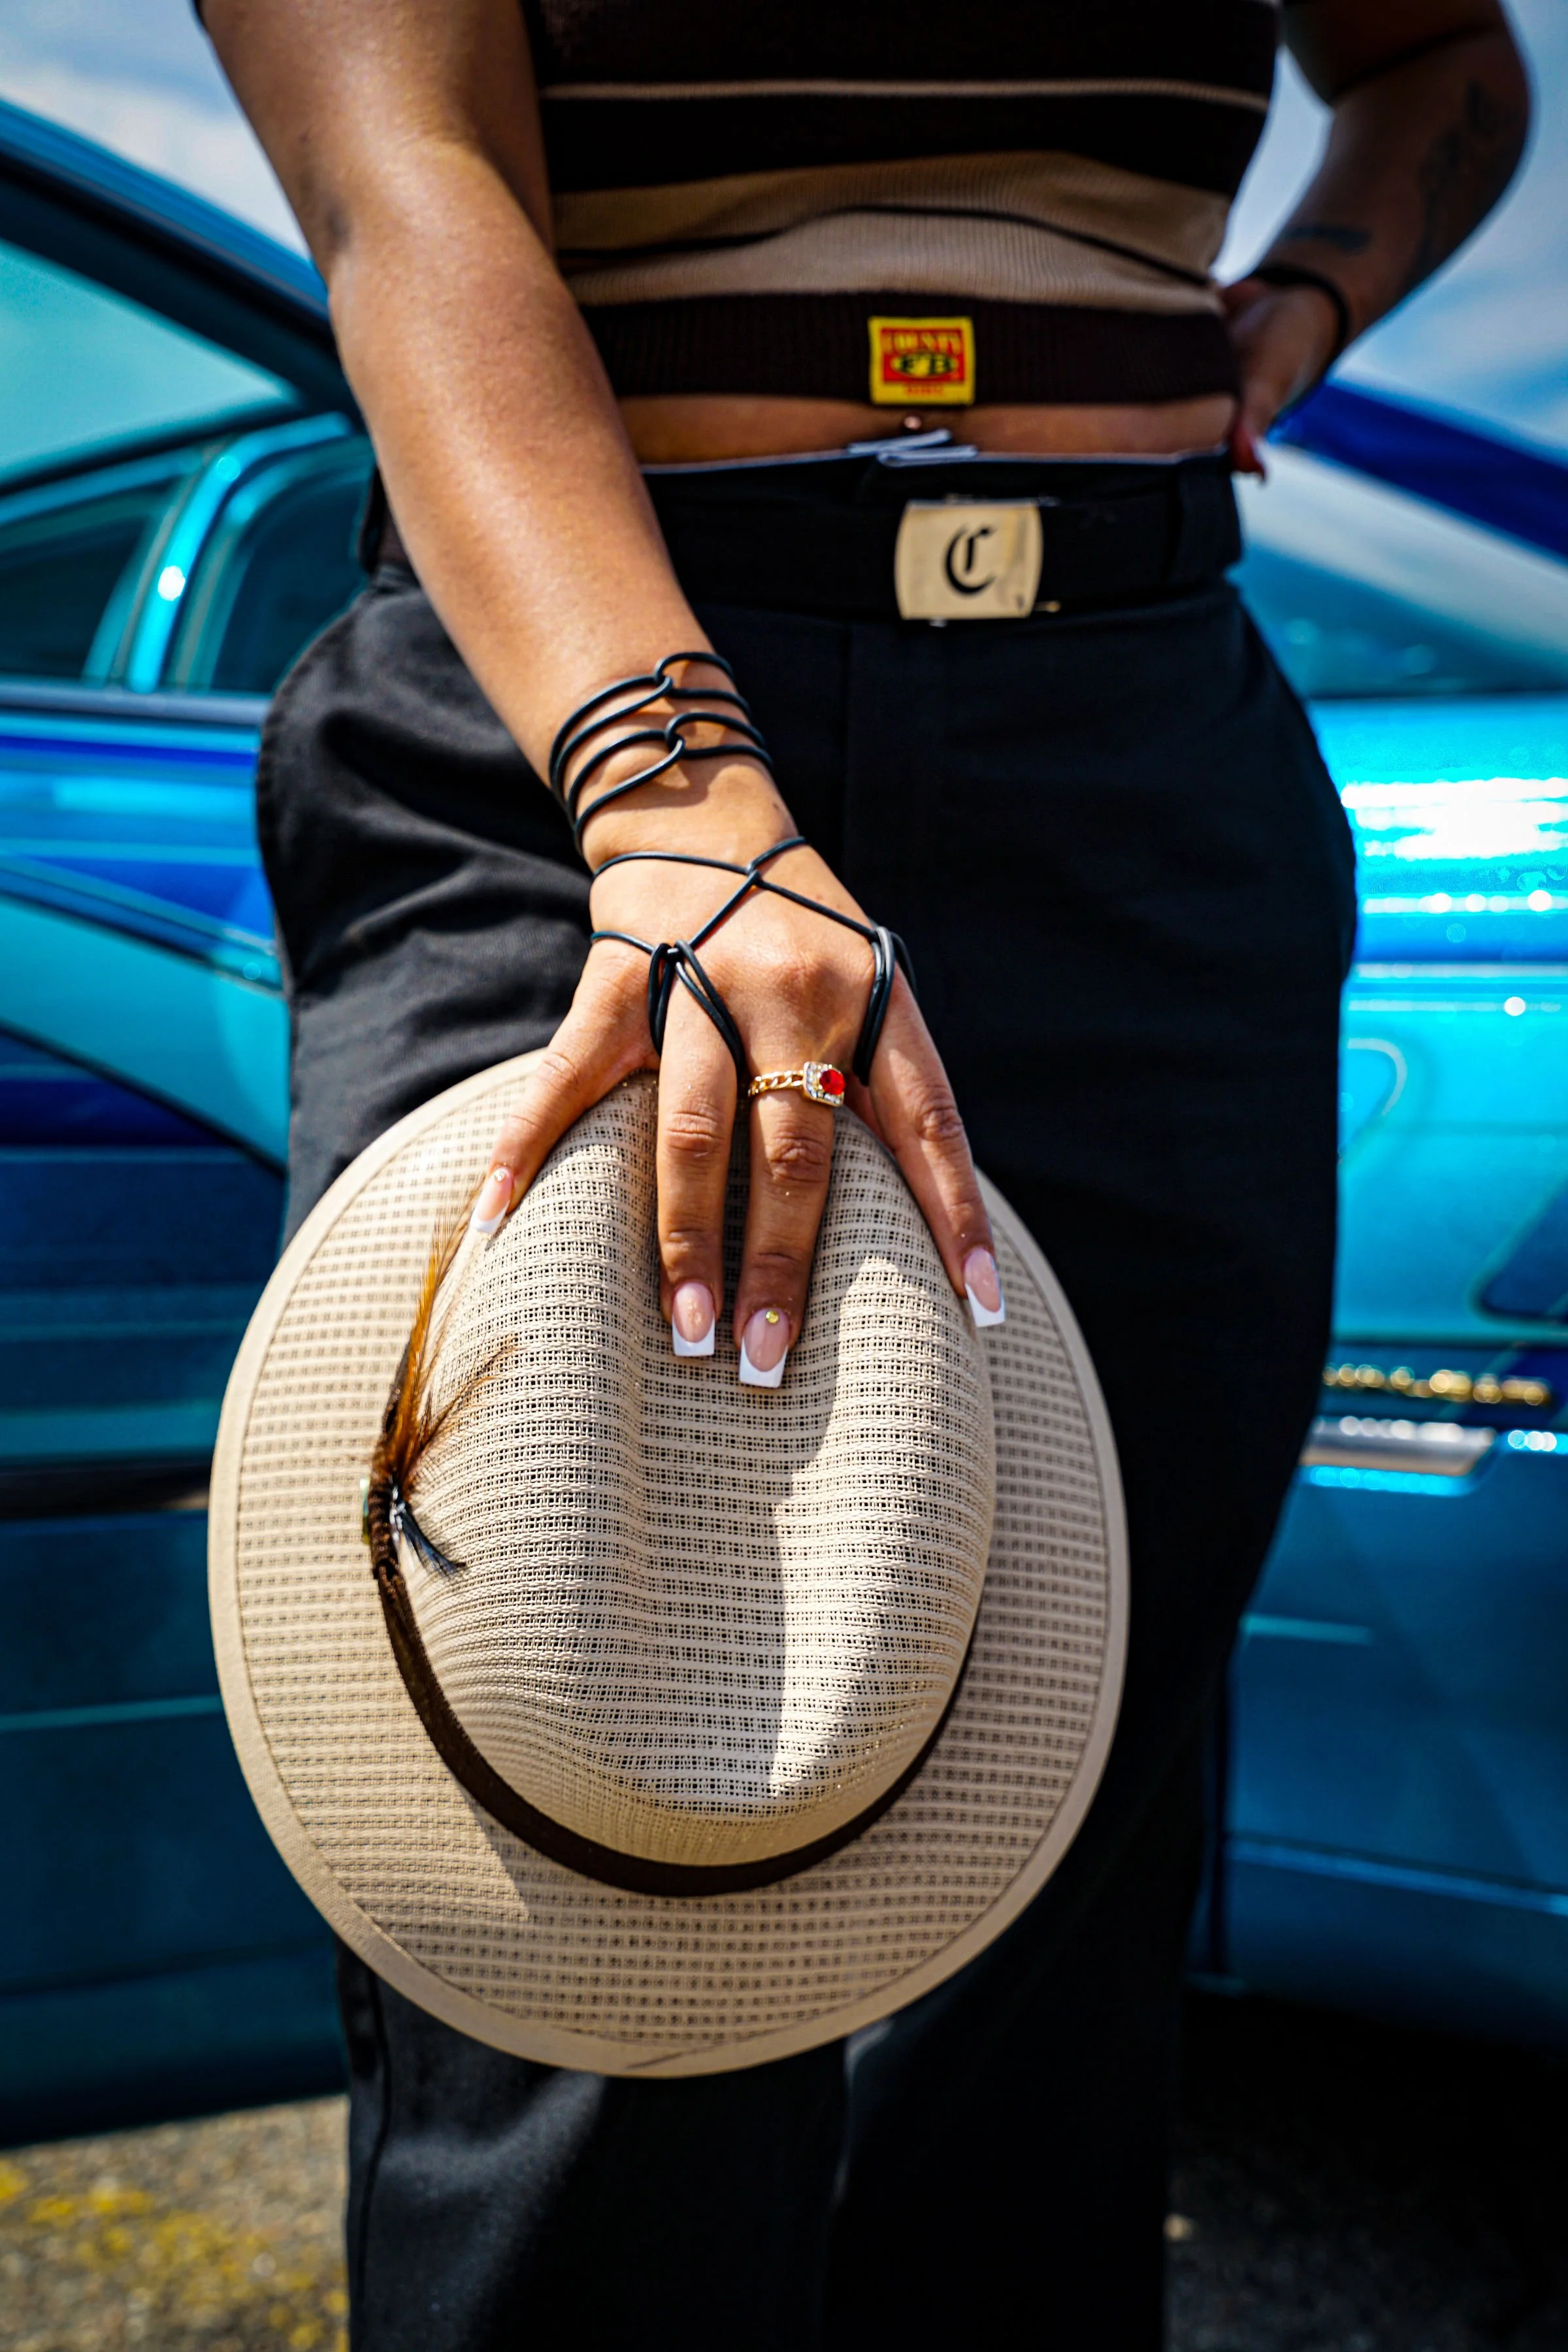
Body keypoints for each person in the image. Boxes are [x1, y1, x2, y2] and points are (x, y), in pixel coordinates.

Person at [200, 3, 1528, 2344]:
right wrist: (675, 790)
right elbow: (405, 184)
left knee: (1054, 1880)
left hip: (1129, 734)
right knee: (589, 1913)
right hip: (584, 739)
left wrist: (1295, 304)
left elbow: (1444, 61)